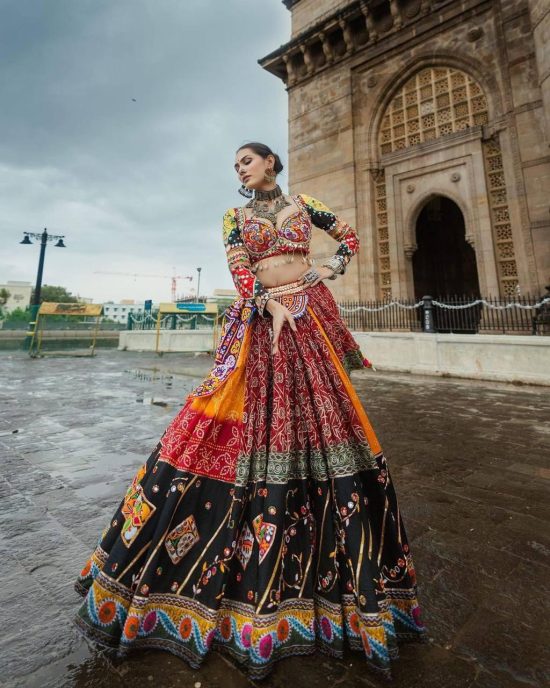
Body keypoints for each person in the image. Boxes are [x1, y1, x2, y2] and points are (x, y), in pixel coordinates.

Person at [74, 142, 427, 680]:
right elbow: (241, 272)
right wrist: (269, 302)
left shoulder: (306, 206)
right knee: (238, 429)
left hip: (309, 312)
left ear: (271, 164)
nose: (240, 168)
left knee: (327, 430)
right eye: (236, 163)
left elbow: (348, 238)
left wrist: (327, 270)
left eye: (247, 159)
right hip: (266, 321)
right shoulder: (234, 218)